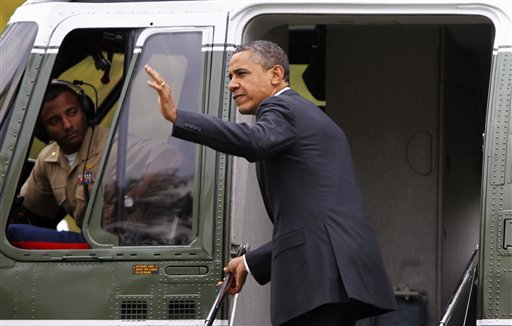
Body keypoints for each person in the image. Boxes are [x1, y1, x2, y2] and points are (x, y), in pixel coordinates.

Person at [145, 40, 397, 326]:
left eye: (241, 74)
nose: (231, 85)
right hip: (337, 272)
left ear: (275, 75)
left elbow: (255, 141)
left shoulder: (282, 108)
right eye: (230, 77)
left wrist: (178, 117)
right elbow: (310, 222)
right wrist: (250, 263)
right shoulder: (305, 115)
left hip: (321, 276)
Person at [19, 80, 108, 229]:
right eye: (55, 120)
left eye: (72, 113)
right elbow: (31, 212)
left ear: (85, 110)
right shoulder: (47, 159)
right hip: (89, 244)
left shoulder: (115, 147)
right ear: (42, 131)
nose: (67, 125)